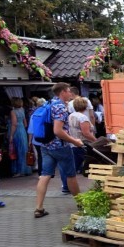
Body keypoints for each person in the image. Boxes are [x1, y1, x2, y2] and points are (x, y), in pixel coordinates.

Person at [35, 82, 85, 218]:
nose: (70, 93)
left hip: (45, 145)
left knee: (45, 175)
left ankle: (39, 208)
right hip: (60, 146)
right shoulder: (60, 107)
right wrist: (74, 141)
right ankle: (81, 204)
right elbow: (58, 130)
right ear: (62, 92)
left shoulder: (49, 103)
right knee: (71, 175)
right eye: (68, 91)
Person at [68, 96, 97, 174]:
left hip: (73, 143)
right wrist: (96, 140)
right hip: (83, 144)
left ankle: (68, 179)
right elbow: (86, 133)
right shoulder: (83, 118)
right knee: (85, 163)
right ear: (85, 106)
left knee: (74, 165)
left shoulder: (70, 116)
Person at [8, 97, 32, 177]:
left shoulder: (13, 111)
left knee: (17, 150)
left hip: (17, 132)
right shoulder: (22, 110)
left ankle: (19, 171)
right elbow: (25, 123)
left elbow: (14, 124)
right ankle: (25, 169)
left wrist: (11, 135)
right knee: (23, 150)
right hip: (22, 131)